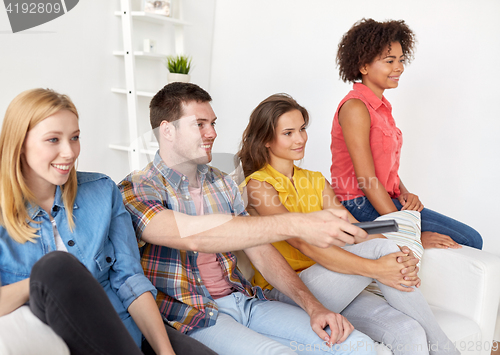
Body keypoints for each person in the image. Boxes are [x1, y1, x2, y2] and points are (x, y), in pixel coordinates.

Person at [119, 82, 377, 355]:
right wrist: (299, 223)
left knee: (358, 345)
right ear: (167, 130)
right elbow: (192, 236)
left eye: (213, 123)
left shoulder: (221, 182)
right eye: (200, 124)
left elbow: (261, 251)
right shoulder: (137, 187)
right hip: (193, 315)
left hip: (245, 300)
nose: (212, 133)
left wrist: (314, 308)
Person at [237, 93, 459, 355]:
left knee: (409, 332)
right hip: (289, 291)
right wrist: (377, 268)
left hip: (332, 282)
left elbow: (354, 230)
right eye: (288, 133)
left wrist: (400, 254)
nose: (300, 139)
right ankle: (447, 351)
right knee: (382, 252)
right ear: (265, 139)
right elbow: (303, 243)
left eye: (302, 129)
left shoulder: (315, 180)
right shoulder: (258, 186)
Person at [0, 88, 217, 355]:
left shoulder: (102, 191)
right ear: (19, 143)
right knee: (56, 268)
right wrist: (45, 283)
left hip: (126, 326)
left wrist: (165, 351)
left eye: (75, 138)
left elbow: (130, 280)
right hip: (66, 342)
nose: (69, 152)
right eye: (53, 139)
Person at [330, 18, 482, 250]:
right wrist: (407, 232)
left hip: (381, 196)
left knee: (471, 239)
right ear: (363, 66)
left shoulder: (381, 108)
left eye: (401, 60)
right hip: (358, 202)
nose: (399, 67)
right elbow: (366, 179)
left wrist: (405, 193)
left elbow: (383, 166)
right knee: (469, 240)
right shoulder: (355, 108)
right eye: (389, 61)